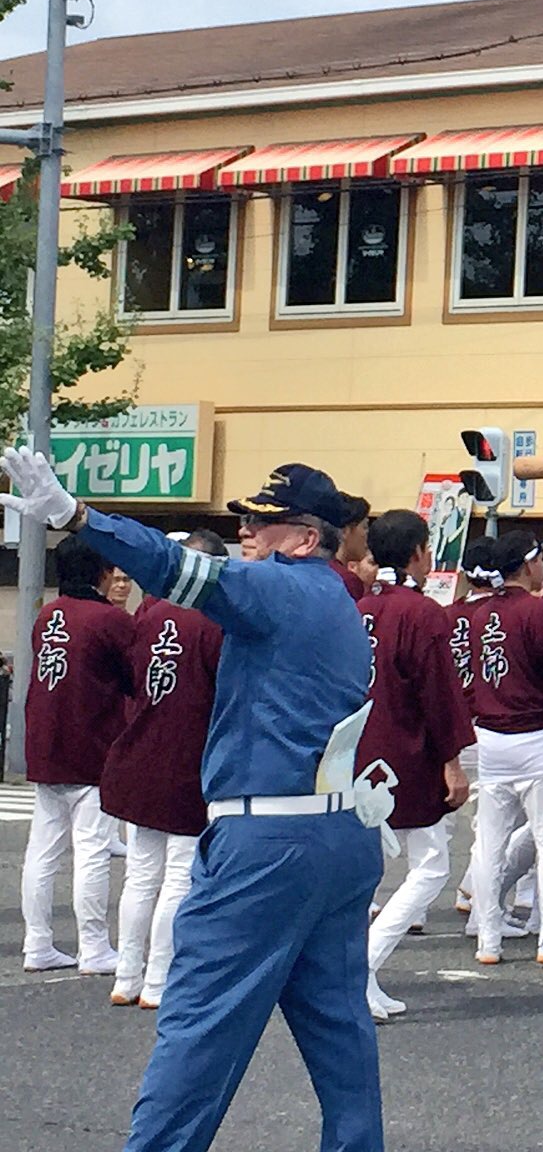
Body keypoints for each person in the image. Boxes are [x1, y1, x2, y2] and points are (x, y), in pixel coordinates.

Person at [2, 451, 387, 1152]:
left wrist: (78, 517)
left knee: (201, 1022)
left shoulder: (282, 590)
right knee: (340, 1033)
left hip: (265, 842)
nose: (247, 530)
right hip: (336, 830)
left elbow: (179, 569)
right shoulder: (335, 598)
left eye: (266, 523)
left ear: (306, 539)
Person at [356, 512, 475, 1022]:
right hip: (405, 751)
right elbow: (440, 694)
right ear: (418, 553)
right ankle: (361, 968)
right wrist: (454, 763)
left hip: (356, 750)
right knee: (431, 866)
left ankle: (363, 976)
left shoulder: (359, 606)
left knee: (366, 871)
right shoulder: (422, 612)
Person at [102, 531, 228, 1009]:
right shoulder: (214, 622)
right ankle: (157, 981)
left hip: (141, 752)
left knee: (141, 874)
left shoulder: (149, 613)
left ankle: (126, 976)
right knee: (178, 875)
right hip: (188, 759)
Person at [20, 533, 134, 975]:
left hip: (45, 745)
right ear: (103, 572)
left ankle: (37, 944)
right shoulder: (110, 621)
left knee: (42, 850)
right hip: (92, 746)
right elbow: (134, 679)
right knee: (91, 850)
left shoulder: (48, 615)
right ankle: (94, 947)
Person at [468, 530, 543, 968]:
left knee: (488, 843)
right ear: (529, 563)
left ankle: (489, 937)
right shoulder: (539, 612)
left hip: (490, 736)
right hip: (535, 734)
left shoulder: (480, 614)